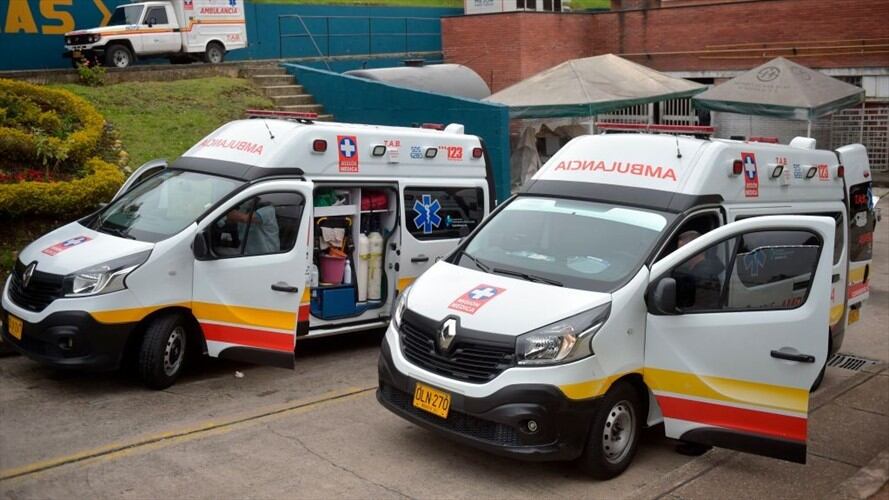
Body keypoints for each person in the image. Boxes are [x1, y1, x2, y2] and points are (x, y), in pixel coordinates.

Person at [672, 230, 725, 310]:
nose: (678, 254)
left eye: (681, 251)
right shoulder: (694, 270)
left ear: (693, 250)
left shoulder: (703, 274)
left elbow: (700, 307)